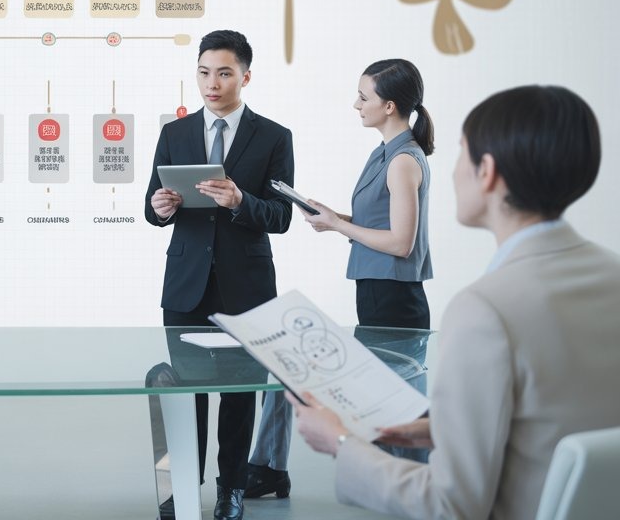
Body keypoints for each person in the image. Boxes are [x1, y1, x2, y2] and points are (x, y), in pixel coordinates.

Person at [288, 85, 620, 520]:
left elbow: (451, 504)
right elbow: (555, 422)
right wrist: (442, 431)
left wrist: (341, 443)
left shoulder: (485, 311)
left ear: (488, 173)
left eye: (462, 153)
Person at [246, 59, 436, 498]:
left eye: (364, 97)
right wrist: (334, 216)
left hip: (397, 303)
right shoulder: (383, 153)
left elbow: (401, 243)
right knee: (289, 368)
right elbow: (381, 226)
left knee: (398, 409)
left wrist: (336, 225)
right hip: (375, 294)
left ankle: (421, 489)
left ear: (389, 106)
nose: (356, 104)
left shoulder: (404, 161)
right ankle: (269, 466)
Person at [145, 30, 295, 520]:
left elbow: (281, 216)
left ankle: (231, 490)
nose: (212, 83)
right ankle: (185, 486)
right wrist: (161, 207)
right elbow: (153, 208)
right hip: (186, 285)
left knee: (238, 393)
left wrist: (240, 201)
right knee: (187, 392)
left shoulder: (274, 136)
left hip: (246, 288)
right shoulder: (175, 134)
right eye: (205, 72)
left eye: (225, 73)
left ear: (245, 76)